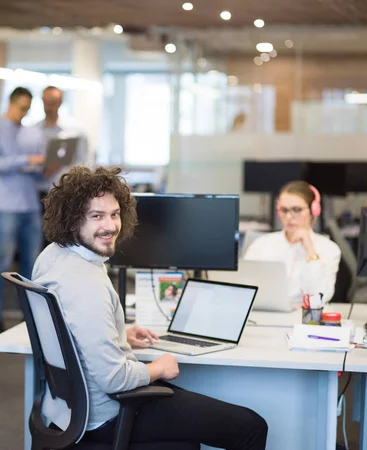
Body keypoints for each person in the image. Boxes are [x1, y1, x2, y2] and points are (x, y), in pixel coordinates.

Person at [32, 166, 268, 449]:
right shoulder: (87, 283)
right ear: (72, 220)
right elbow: (114, 379)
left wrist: (118, 334)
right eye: (96, 216)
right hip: (108, 413)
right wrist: (158, 368)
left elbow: (72, 326)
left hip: (67, 411)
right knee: (251, 427)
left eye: (115, 214)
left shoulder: (52, 257)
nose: (110, 226)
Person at [0, 87, 50, 336]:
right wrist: (25, 161)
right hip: (5, 206)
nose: (24, 112)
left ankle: (30, 318)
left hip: (30, 205)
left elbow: (39, 171)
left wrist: (47, 166)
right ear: (10, 103)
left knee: (33, 267)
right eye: (21, 107)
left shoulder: (33, 133)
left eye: (28, 109)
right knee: (2, 262)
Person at [243, 181, 342, 306]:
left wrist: (310, 250)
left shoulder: (329, 249)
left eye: (297, 210)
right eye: (284, 210)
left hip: (304, 317)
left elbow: (321, 297)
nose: (289, 217)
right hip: (265, 313)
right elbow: (244, 289)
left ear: (314, 210)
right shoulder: (261, 244)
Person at [37, 86, 89, 193]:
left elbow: (84, 162)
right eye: (46, 102)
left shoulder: (76, 130)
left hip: (67, 191)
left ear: (60, 102)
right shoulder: (34, 131)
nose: (49, 106)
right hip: (39, 191)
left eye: (53, 102)